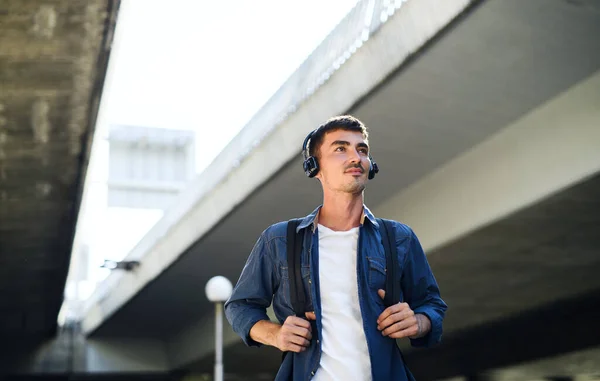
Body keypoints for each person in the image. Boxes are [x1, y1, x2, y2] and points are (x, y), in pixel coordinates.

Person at [225, 115, 447, 381]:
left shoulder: (399, 237)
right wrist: (275, 334)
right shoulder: (280, 240)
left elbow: (432, 305)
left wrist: (418, 322)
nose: (355, 157)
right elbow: (240, 306)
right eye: (340, 149)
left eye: (361, 150)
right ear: (315, 166)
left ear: (370, 165)